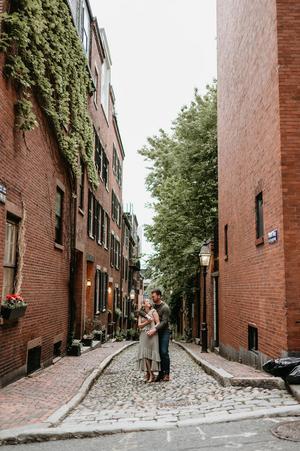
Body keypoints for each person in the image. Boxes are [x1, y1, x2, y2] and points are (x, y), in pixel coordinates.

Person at [147, 289, 171, 382]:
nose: (152, 298)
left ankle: (167, 374)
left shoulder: (165, 307)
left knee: (164, 352)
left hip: (164, 332)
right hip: (155, 333)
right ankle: (160, 374)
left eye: (153, 296)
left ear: (159, 296)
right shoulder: (152, 306)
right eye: (152, 296)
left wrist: (154, 329)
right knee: (157, 353)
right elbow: (141, 311)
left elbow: (164, 322)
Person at [137, 299, 161, 383]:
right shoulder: (141, 313)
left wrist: (153, 330)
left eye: (149, 301)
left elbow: (158, 323)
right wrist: (147, 321)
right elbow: (139, 325)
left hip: (152, 334)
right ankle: (150, 374)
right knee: (145, 355)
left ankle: (150, 374)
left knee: (151, 355)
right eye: (147, 301)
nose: (149, 302)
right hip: (144, 335)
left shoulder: (153, 311)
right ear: (143, 304)